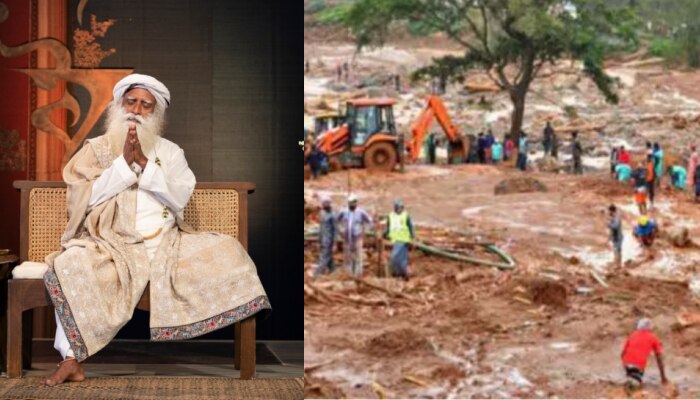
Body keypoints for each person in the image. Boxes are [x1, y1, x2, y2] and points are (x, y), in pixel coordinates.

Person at [41, 74, 270, 385]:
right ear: (119, 104)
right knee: (69, 263)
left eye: (146, 105)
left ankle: (245, 360)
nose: (136, 109)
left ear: (156, 113)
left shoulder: (171, 153)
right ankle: (70, 359)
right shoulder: (96, 150)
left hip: (165, 244)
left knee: (229, 249)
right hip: (110, 244)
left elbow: (179, 198)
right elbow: (84, 200)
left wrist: (147, 165)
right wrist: (123, 164)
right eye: (131, 101)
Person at [621, 318, 668, 391]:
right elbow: (659, 359)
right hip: (638, 367)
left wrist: (626, 369)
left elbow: (622, 354)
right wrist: (663, 378)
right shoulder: (653, 337)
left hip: (627, 365)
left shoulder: (632, 335)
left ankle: (630, 378)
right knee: (633, 390)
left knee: (631, 384)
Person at [337, 194, 373, 277]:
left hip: (357, 237)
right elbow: (337, 221)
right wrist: (340, 231)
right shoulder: (344, 211)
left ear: (356, 203)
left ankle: (358, 274)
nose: (351, 205)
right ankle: (348, 274)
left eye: (353, 203)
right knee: (347, 257)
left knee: (358, 256)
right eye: (350, 203)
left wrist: (365, 231)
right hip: (346, 238)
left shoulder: (361, 212)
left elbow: (369, 222)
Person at [383, 199, 415, 280]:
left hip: (404, 240)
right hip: (395, 240)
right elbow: (388, 227)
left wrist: (412, 237)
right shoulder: (391, 216)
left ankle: (403, 274)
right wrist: (384, 234)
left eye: (400, 207)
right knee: (396, 258)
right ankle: (397, 274)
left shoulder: (406, 216)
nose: (399, 209)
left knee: (400, 258)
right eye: (397, 207)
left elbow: (411, 226)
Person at [314, 197, 336, 278]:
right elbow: (321, 228)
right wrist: (319, 240)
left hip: (329, 240)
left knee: (324, 256)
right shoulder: (322, 214)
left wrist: (334, 243)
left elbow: (335, 230)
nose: (323, 206)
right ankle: (333, 271)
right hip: (323, 239)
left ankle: (317, 273)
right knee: (329, 257)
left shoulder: (333, 215)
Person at [608, 204, 623, 269]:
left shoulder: (616, 217)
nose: (609, 213)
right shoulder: (614, 217)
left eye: (609, 211)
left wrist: (609, 224)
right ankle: (618, 264)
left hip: (618, 236)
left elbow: (615, 227)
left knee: (616, 250)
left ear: (612, 211)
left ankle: (617, 265)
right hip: (616, 236)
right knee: (617, 250)